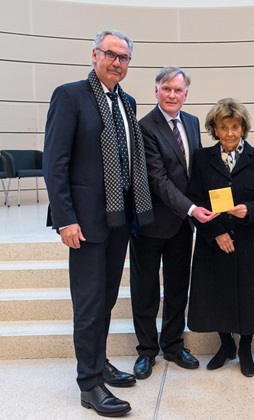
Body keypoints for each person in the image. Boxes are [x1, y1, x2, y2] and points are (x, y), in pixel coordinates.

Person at [43, 29, 154, 417]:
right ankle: (89, 384)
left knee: (105, 299)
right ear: (94, 55)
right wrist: (65, 220)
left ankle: (99, 361)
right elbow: (54, 163)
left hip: (119, 217)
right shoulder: (70, 96)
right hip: (86, 222)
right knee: (89, 304)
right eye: (110, 54)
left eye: (124, 57)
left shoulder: (127, 101)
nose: (117, 62)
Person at [129, 67, 216, 380]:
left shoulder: (192, 122)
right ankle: (146, 352)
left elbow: (196, 171)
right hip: (151, 222)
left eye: (178, 90)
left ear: (186, 94)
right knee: (146, 290)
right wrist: (193, 209)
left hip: (182, 224)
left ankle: (173, 345)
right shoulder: (144, 127)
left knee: (178, 287)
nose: (172, 95)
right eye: (166, 89)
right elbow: (157, 179)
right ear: (156, 91)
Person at [187, 98, 254, 377]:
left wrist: (249, 209)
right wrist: (216, 234)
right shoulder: (202, 158)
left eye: (235, 127)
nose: (229, 133)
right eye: (223, 127)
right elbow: (193, 201)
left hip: (250, 240)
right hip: (214, 241)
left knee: (249, 296)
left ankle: (245, 348)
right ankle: (226, 344)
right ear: (215, 128)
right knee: (216, 295)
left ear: (243, 127)